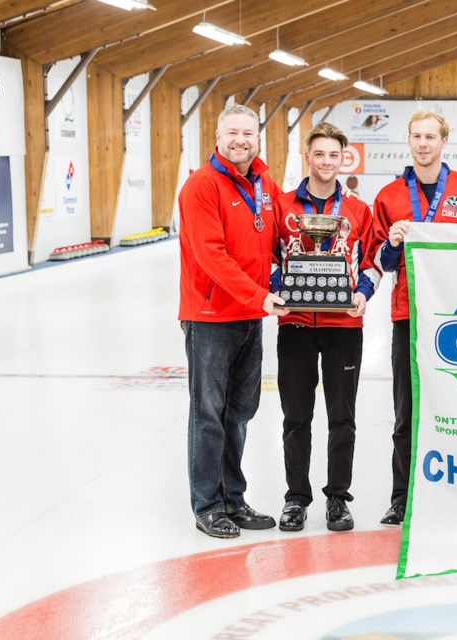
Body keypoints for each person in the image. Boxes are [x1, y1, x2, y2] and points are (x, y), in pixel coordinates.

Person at [370, 109, 457, 526]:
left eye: (431, 136)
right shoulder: (388, 196)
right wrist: (391, 242)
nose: (423, 144)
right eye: (416, 136)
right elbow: (381, 263)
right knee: (406, 412)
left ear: (445, 140)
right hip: (410, 316)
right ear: (408, 141)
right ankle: (402, 498)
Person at [177, 104, 288, 539]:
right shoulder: (201, 186)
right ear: (218, 137)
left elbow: (279, 236)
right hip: (210, 318)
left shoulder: (264, 182)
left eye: (249, 133)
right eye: (233, 133)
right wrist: (261, 296)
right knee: (208, 413)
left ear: (258, 139)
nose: (241, 140)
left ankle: (234, 499)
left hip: (250, 317)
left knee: (239, 411)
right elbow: (212, 256)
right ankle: (207, 505)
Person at [274, 123, 380, 533]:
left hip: (344, 326)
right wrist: (275, 286)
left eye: (333, 155)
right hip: (296, 324)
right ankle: (296, 499)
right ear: (308, 157)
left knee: (342, 416)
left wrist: (364, 292)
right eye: (319, 154)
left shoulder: (358, 209)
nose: (326, 162)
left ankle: (337, 498)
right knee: (296, 417)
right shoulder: (284, 207)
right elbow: (268, 258)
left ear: (343, 159)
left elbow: (371, 259)